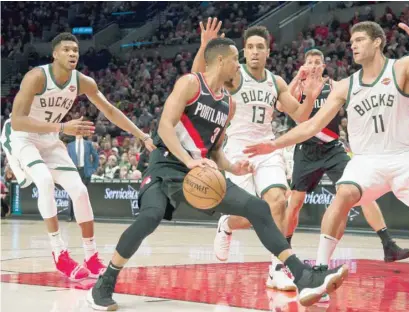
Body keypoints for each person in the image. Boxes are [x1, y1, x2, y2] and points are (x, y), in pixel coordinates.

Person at [87, 37, 348, 311]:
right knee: (150, 218)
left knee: (259, 208)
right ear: (221, 60)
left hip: (201, 170)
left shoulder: (228, 104)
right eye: (236, 59)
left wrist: (233, 167)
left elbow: (214, 151)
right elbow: (164, 126)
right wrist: (189, 161)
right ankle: (105, 282)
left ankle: (303, 276)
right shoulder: (190, 84)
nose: (240, 64)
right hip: (167, 165)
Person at [244, 7, 409, 264]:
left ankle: (397, 244)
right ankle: (318, 268)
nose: (352, 45)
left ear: (377, 42)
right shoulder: (345, 85)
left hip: (404, 155)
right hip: (361, 159)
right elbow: (308, 125)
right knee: (337, 195)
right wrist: (273, 144)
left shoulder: (400, 68)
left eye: (359, 40)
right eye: (351, 41)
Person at [5, 32, 156, 281]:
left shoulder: (83, 82)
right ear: (54, 54)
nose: (72, 53)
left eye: (75, 50)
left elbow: (109, 110)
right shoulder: (36, 77)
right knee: (43, 181)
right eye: (66, 49)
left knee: (80, 191)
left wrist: (141, 135)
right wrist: (62, 128)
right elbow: (19, 121)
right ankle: (59, 253)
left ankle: (91, 255)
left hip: (49, 138)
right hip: (22, 136)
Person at [192, 18, 322, 291]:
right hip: (237, 150)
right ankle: (226, 224)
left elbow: (299, 116)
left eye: (259, 47)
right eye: (249, 46)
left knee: (278, 201)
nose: (254, 51)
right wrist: (205, 46)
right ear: (243, 50)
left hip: (266, 149)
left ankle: (276, 268)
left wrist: (309, 97)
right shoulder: (233, 75)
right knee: (252, 214)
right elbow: (198, 79)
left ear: (267, 52)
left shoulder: (275, 82)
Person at [286, 48, 409, 263]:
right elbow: (284, 103)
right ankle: (284, 247)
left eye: (318, 62)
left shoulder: (335, 86)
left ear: (324, 66)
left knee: (361, 189)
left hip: (332, 147)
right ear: (304, 64)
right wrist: (299, 76)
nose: (314, 65)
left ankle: (388, 244)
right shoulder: (299, 86)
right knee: (295, 201)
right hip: (305, 149)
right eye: (310, 62)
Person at [66, 133, 99, 221]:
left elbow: (96, 157)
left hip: (85, 171)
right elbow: (67, 159)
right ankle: (70, 215)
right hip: (74, 171)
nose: (78, 133)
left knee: (84, 194)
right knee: (72, 193)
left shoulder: (88, 144)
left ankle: (84, 216)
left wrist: (93, 169)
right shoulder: (70, 145)